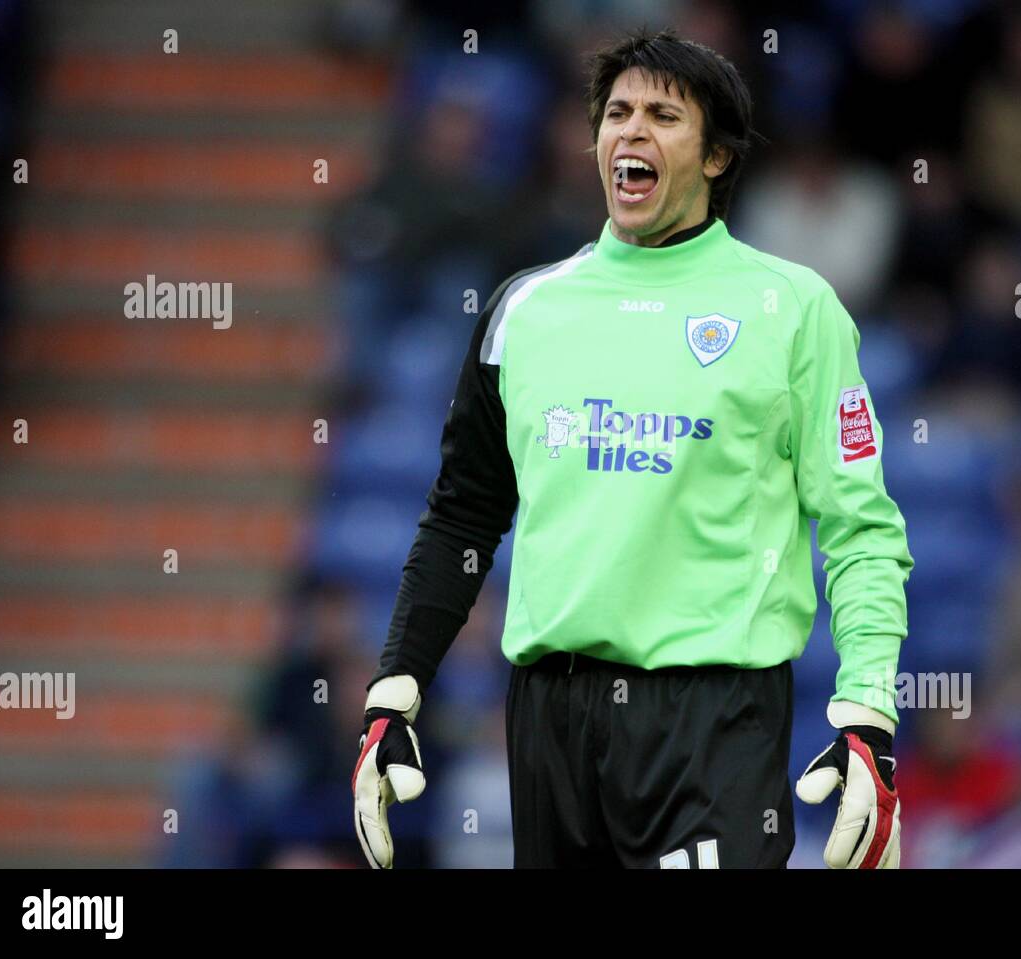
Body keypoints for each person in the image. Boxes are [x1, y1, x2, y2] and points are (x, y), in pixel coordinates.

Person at [352, 27, 913, 869]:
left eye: (663, 114)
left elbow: (861, 529)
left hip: (715, 719)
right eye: (616, 113)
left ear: (718, 156)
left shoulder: (793, 310)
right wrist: (394, 692)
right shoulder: (525, 310)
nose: (631, 131)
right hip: (550, 723)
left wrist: (867, 715)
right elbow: (462, 518)